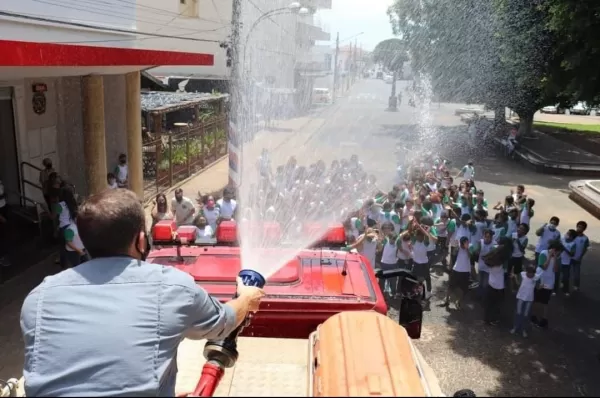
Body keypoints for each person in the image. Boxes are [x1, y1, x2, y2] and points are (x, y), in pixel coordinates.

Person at [20, 189, 265, 397]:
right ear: (141, 241)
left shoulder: (38, 298)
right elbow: (223, 323)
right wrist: (246, 298)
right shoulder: (172, 287)